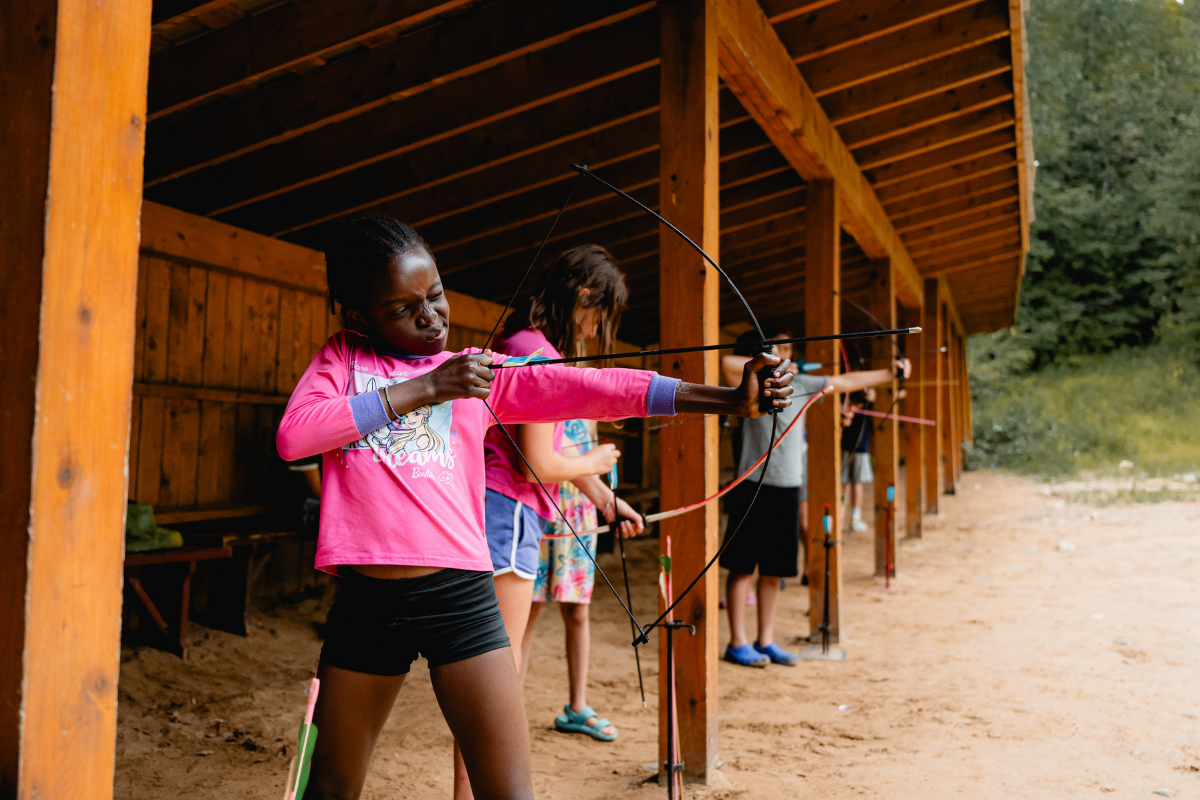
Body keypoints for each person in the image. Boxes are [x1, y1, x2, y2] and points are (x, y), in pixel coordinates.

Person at [275, 216, 795, 800]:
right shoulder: (343, 361)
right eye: (403, 308)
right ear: (359, 317)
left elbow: (595, 388)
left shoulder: (478, 372)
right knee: (330, 789)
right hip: (368, 602)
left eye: (436, 295)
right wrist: (426, 388)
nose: (431, 316)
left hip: (461, 597)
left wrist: (725, 399)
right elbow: (295, 437)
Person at [719, 329, 909, 668]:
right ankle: (738, 642)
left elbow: (846, 380)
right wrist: (763, 366)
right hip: (752, 484)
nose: (785, 354)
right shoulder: (751, 382)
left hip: (789, 486)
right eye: (777, 348)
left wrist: (889, 372)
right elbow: (726, 362)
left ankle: (765, 640)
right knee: (743, 566)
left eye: (788, 349)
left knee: (774, 570)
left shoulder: (803, 383)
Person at [840, 387, 876, 533]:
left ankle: (855, 518)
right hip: (844, 445)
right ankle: (840, 517)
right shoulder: (844, 391)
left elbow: (872, 395)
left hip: (860, 445)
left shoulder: (866, 391)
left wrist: (866, 396)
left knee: (857, 482)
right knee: (843, 484)